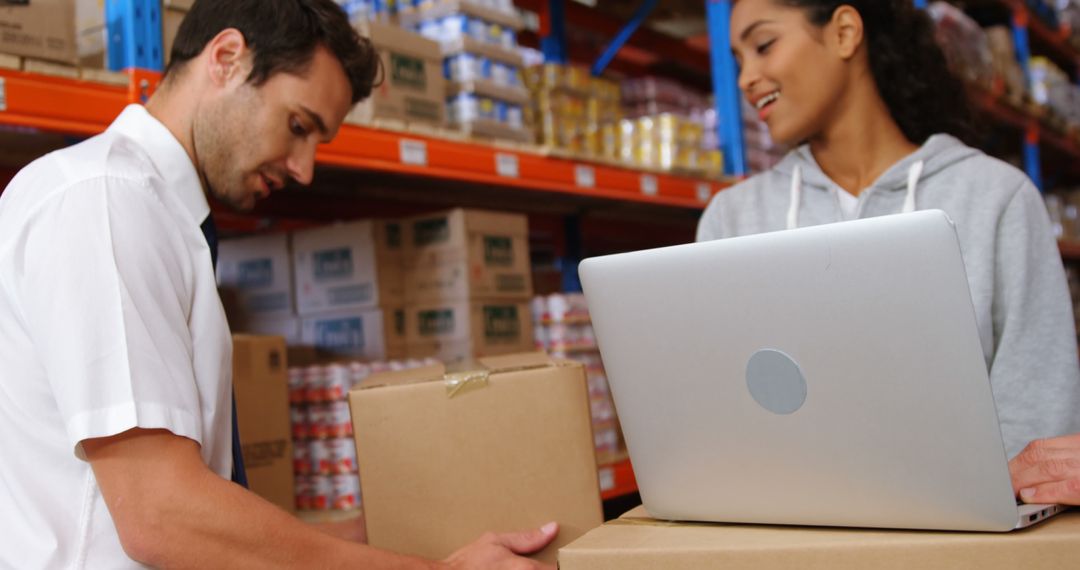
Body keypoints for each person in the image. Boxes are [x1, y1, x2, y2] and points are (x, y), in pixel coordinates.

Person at [0, 0, 558, 567]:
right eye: (297, 126)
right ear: (226, 59)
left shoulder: (158, 215)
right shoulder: (105, 199)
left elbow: (185, 501)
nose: (304, 168)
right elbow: (160, 513)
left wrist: (372, 533)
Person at [698, 0, 1080, 499]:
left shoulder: (994, 199)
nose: (747, 78)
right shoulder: (731, 220)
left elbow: (1035, 428)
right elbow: (717, 424)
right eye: (737, 59)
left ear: (844, 32)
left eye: (763, 45)